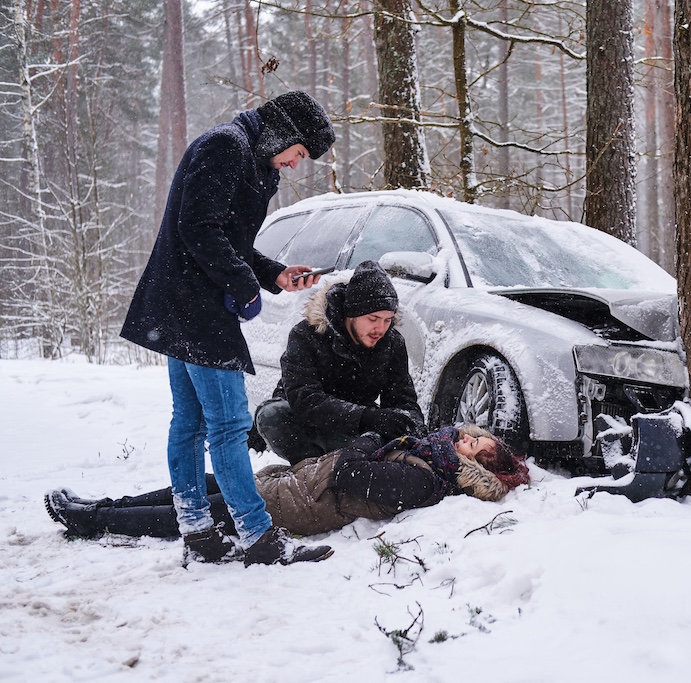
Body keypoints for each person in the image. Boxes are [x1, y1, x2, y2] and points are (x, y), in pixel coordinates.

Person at [119, 90, 337, 567]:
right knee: (229, 425)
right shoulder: (227, 147)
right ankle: (258, 536)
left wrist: (274, 274)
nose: (296, 165)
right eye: (298, 153)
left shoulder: (245, 155)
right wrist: (246, 289)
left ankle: (196, 528)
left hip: (184, 304)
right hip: (197, 308)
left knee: (192, 422)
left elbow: (228, 238)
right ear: (283, 132)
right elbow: (198, 228)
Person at [43, 425, 531, 542]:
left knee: (199, 512)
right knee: (202, 485)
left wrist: (364, 438)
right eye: (471, 434)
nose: (465, 438)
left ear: (476, 472)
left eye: (475, 448)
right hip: (298, 484)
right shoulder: (424, 454)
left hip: (299, 506)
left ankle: (94, 521)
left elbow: (350, 471)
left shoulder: (423, 481)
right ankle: (104, 505)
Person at [254, 260, 427, 466]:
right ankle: (310, 469)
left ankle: (351, 464)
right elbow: (304, 398)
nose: (380, 328)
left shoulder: (392, 342)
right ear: (351, 314)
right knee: (271, 415)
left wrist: (410, 426)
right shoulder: (306, 334)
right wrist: (367, 417)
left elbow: (404, 400)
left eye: (387, 319)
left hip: (354, 430)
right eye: (373, 319)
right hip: (308, 424)